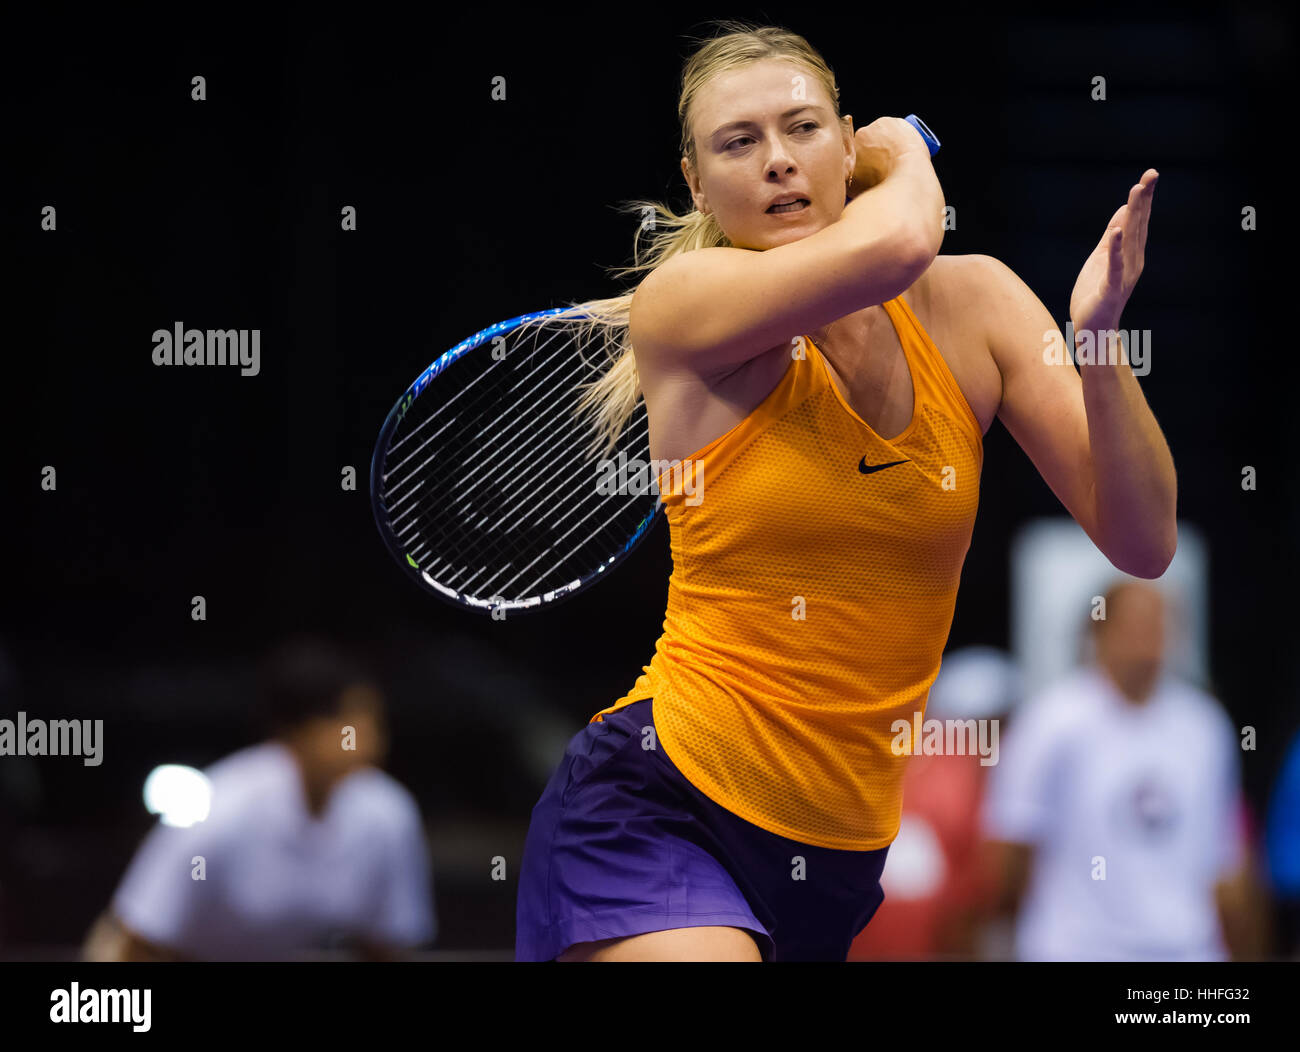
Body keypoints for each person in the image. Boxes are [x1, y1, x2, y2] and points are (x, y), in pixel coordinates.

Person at [516, 19, 1174, 962]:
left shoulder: (976, 305)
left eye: (802, 129)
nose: (778, 161)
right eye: (740, 144)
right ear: (697, 183)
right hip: (659, 805)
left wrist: (1101, 338)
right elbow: (901, 239)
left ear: (844, 139)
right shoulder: (687, 305)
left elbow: (1143, 540)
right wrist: (903, 152)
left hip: (837, 857)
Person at [83, 636, 436, 961]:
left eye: (375, 719)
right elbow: (136, 938)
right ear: (299, 729)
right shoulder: (220, 810)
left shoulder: (389, 813)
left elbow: (388, 947)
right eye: (351, 720)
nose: (372, 735)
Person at [980, 581, 1263, 960]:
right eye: (1134, 625)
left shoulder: (1205, 725)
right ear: (1099, 632)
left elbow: (1224, 854)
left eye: (1159, 624)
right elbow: (1011, 844)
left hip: (1185, 949)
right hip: (1077, 949)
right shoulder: (1050, 721)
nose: (1148, 639)